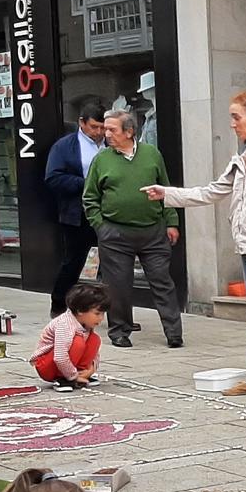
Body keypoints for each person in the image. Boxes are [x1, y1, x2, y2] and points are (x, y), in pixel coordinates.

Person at [145, 82, 246, 398]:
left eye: (236, 116)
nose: (232, 124)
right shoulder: (243, 156)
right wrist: (168, 194)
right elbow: (213, 190)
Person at [84, 108, 182, 350]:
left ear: (129, 132)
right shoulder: (102, 159)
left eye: (111, 129)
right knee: (117, 287)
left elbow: (165, 189)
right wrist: (100, 226)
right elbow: (90, 197)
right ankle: (119, 331)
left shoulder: (152, 154)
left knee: (162, 283)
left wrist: (171, 222)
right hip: (115, 234)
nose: (106, 134)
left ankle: (174, 333)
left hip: (153, 231)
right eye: (105, 129)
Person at [43, 97, 107, 317]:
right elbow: (53, 178)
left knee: (112, 264)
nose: (98, 132)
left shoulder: (111, 144)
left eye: (102, 127)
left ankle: (115, 314)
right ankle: (59, 302)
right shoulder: (65, 146)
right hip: (77, 213)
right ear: (82, 123)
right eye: (94, 127)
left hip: (108, 213)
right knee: (74, 261)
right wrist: (87, 182)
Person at [32, 284, 108, 389]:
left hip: (66, 365)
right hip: (47, 366)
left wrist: (91, 369)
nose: (101, 318)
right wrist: (73, 376)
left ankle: (79, 373)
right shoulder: (65, 324)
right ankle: (62, 378)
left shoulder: (85, 323)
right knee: (78, 342)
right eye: (97, 313)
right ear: (80, 311)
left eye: (103, 314)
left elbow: (95, 353)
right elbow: (60, 357)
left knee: (94, 339)